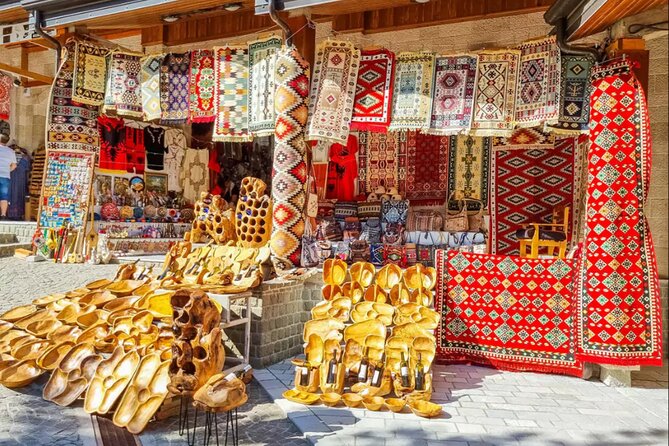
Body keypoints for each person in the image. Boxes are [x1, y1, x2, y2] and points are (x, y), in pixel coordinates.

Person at [0, 134, 17, 220]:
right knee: (4, 196)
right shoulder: (11, 151)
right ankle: (3, 215)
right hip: (5, 176)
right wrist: (6, 170)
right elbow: (14, 166)